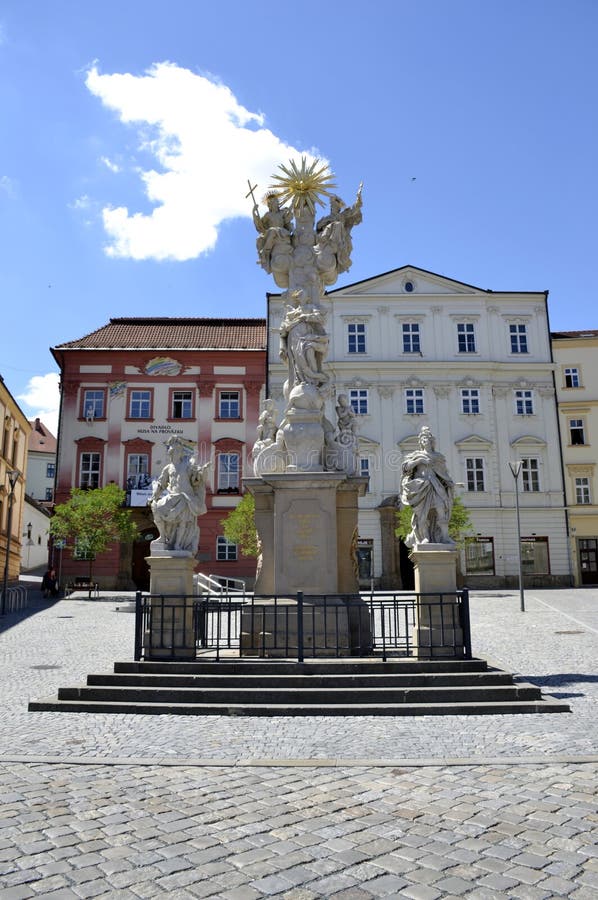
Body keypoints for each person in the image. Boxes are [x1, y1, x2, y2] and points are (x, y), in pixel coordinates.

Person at [150, 436, 210, 554]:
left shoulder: (187, 465)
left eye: (178, 450)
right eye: (173, 451)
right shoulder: (168, 468)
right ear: (171, 453)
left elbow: (195, 480)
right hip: (172, 496)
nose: (176, 453)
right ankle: (162, 537)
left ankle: (178, 544)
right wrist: (154, 497)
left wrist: (203, 472)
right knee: (156, 509)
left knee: (183, 521)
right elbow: (161, 484)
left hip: (185, 497)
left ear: (181, 453)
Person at [400, 426, 455, 548]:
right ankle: (425, 537)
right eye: (423, 439)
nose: (426, 441)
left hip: (435, 486)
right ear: (420, 442)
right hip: (421, 487)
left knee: (441, 508)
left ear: (432, 441)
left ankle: (445, 537)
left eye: (428, 439)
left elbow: (444, 473)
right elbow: (405, 468)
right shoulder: (416, 455)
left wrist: (449, 483)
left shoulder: (438, 457)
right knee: (422, 514)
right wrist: (419, 461)